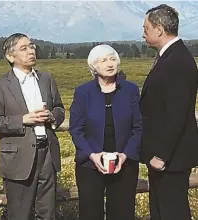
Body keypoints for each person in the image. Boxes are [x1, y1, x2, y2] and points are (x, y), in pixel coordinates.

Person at [0, 33, 65, 220]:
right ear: (10, 56)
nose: (31, 51)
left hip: (48, 156)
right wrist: (23, 120)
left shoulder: (46, 79)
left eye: (32, 46)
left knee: (47, 214)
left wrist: (52, 117)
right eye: (24, 48)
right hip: (18, 160)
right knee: (19, 214)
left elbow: (60, 108)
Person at [69, 44, 142, 220]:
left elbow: (139, 127)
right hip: (90, 166)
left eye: (113, 59)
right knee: (90, 213)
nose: (110, 64)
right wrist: (91, 154)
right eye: (104, 60)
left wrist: (125, 155)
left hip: (124, 165)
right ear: (94, 66)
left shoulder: (130, 90)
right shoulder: (82, 92)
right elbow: (76, 129)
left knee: (122, 213)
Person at [140, 4, 198, 220]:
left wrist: (161, 155)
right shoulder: (171, 57)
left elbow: (177, 113)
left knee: (172, 212)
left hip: (170, 159)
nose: (143, 33)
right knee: (161, 211)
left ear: (159, 29)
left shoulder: (177, 62)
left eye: (146, 28)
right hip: (166, 158)